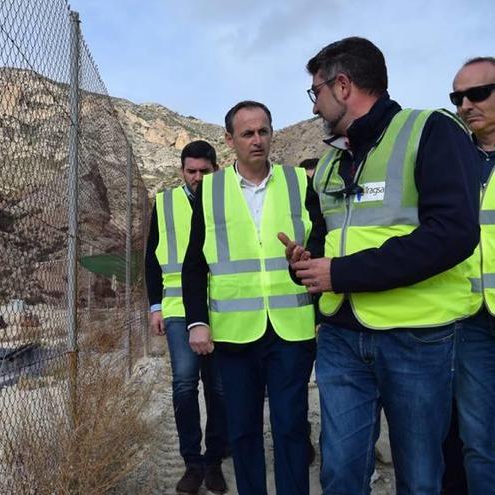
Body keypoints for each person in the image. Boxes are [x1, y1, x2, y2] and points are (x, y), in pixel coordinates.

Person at [284, 37, 480, 494]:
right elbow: (326, 233)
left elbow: (453, 234)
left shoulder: (431, 131)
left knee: (418, 477)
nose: (314, 106)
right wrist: (307, 261)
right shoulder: (332, 159)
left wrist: (342, 273)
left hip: (417, 338)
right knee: (340, 473)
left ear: (344, 85)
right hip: (339, 336)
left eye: (316, 92)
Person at [182, 101, 318, 495]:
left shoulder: (298, 183)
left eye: (264, 131)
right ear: (230, 140)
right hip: (235, 334)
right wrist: (197, 321)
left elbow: (320, 243)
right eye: (247, 133)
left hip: (290, 330)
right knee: (242, 430)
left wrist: (306, 259)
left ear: (272, 133)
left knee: (292, 426)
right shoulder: (210, 190)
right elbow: (195, 264)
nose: (257, 140)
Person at [145, 140, 228, 494]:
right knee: (183, 384)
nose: (197, 177)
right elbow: (151, 258)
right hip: (178, 308)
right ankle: (192, 462)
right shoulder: (164, 203)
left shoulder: (226, 200)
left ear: (215, 169)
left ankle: (214, 461)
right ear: (182, 171)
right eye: (191, 171)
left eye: (203, 171)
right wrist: (155, 306)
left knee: (219, 388)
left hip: (221, 307)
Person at [449, 55, 495, 495]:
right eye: (458, 97)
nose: (465, 105)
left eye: (477, 93)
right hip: (470, 320)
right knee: (479, 442)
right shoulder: (450, 160)